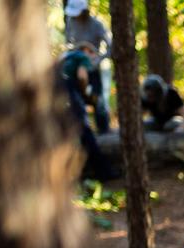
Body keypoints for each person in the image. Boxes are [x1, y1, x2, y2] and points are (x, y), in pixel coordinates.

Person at [59, 41, 117, 180]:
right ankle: (104, 173)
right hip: (70, 94)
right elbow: (82, 76)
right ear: (86, 50)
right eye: (92, 54)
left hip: (56, 96)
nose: (92, 58)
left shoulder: (64, 57)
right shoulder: (81, 57)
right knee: (86, 133)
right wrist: (85, 93)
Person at [64, 0, 110, 134]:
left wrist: (98, 59)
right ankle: (81, 131)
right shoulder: (71, 22)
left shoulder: (97, 25)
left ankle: (104, 131)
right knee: (76, 99)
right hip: (77, 67)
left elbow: (110, 46)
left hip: (94, 69)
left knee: (98, 100)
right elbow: (68, 42)